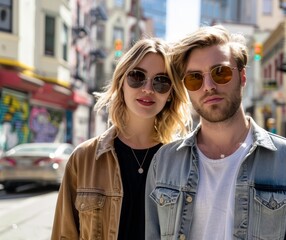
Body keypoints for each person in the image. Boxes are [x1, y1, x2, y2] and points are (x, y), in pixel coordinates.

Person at [145, 25, 286, 240]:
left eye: (220, 72)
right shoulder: (165, 162)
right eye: (195, 78)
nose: (208, 86)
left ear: (242, 77)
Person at [51, 37, 191, 239]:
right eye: (137, 76)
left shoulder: (183, 163)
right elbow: (63, 235)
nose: (148, 89)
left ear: (170, 93)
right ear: (121, 82)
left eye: (161, 81)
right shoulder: (84, 158)